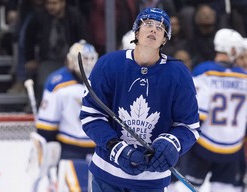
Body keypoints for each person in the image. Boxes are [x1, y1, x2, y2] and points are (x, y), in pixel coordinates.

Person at [79, 7, 200, 192]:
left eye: (160, 28)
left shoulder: (179, 74)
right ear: (136, 31)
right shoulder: (109, 64)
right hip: (106, 175)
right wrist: (114, 146)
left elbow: (188, 126)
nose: (153, 29)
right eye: (148, 24)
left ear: (165, 39)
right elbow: (91, 116)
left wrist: (171, 144)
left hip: (151, 182)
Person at [173, 28, 247, 192]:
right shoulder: (244, 77)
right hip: (233, 148)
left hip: (203, 146)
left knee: (186, 188)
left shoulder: (204, 71)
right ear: (232, 50)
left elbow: (197, 114)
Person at [36, 40, 98, 160]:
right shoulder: (57, 83)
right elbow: (46, 127)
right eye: (84, 58)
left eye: (91, 58)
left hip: (99, 150)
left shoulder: (103, 80)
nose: (89, 63)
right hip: (69, 150)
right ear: (71, 60)